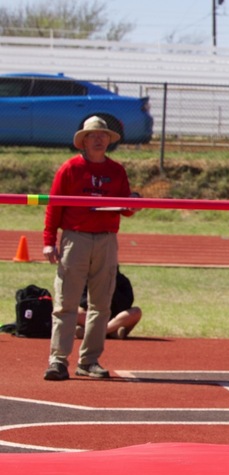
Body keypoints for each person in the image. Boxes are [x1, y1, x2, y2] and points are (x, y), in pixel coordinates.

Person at [42, 116, 139, 381]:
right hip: (76, 239)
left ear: (109, 140)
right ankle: (58, 360)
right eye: (93, 135)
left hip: (106, 239)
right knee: (66, 302)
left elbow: (124, 207)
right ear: (83, 141)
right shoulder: (70, 169)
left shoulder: (116, 171)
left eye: (103, 135)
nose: (98, 139)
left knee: (101, 304)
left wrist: (133, 204)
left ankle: (89, 360)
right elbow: (54, 206)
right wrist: (49, 241)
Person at [76, 267, 142, 340]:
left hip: (116, 318)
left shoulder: (123, 281)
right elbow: (81, 301)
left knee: (136, 312)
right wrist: (98, 298)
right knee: (74, 310)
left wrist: (111, 290)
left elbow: (126, 304)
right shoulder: (89, 279)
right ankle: (112, 332)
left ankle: (94, 331)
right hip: (93, 315)